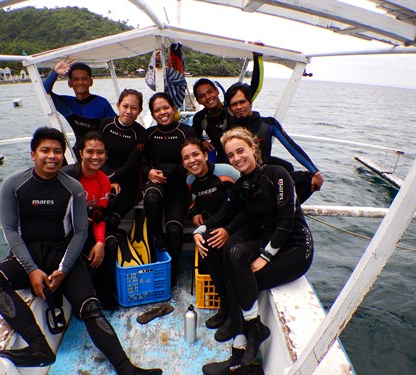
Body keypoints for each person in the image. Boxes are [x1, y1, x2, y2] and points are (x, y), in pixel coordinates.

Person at [0, 127, 162, 374]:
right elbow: (11, 231)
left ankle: (125, 367)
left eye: (57, 151)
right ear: (32, 153)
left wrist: (64, 270)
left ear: (64, 154)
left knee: (91, 307)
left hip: (62, 252)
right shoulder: (13, 185)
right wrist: (32, 270)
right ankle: (38, 345)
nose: (52, 156)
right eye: (45, 150)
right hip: (28, 254)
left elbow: (80, 233)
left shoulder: (73, 188)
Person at [193, 127, 314, 374]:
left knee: (239, 281)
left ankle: (240, 356)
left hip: (294, 249)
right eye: (231, 154)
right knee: (234, 257)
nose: (237, 158)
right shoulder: (243, 185)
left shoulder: (276, 174)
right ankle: (248, 335)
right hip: (267, 241)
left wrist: (265, 257)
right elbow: (224, 215)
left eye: (241, 151)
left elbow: (286, 222)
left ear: (253, 149)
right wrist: (199, 231)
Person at [123, 92, 196, 286]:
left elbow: (191, 161)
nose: (162, 112)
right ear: (153, 114)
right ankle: (156, 235)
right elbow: (142, 161)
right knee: (152, 198)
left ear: (173, 109)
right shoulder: (149, 134)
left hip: (178, 184)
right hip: (156, 181)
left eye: (166, 107)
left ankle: (172, 268)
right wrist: (149, 173)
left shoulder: (186, 132)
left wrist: (172, 174)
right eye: (157, 110)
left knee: (174, 229)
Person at [181, 138, 242, 341]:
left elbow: (243, 202)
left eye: (195, 154)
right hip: (217, 224)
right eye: (186, 158)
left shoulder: (226, 172)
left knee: (223, 250)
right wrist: (196, 212)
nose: (192, 160)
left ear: (205, 155)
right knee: (207, 245)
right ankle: (224, 306)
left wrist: (224, 228)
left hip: (239, 223)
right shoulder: (190, 182)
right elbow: (194, 201)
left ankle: (234, 311)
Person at [224, 81, 324, 203]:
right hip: (245, 182)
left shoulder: (268, 124)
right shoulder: (230, 132)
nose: (239, 107)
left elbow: (292, 147)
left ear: (250, 102)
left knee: (305, 177)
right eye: (234, 104)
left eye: (242, 102)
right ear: (230, 108)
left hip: (266, 176)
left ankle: (281, 209)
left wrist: (315, 171)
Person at [61, 131, 117, 310]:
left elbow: (99, 216)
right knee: (85, 255)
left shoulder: (104, 181)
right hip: (66, 232)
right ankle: (84, 297)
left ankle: (104, 292)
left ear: (106, 155)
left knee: (110, 244)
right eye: (90, 151)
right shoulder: (67, 176)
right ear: (81, 153)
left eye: (100, 152)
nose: (95, 156)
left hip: (88, 229)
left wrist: (100, 242)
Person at [192, 43, 264, 163]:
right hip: (223, 160)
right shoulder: (200, 118)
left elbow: (255, 87)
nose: (208, 97)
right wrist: (202, 142)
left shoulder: (232, 107)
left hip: (245, 158)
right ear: (198, 101)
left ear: (217, 91)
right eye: (202, 96)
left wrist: (257, 56)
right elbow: (194, 137)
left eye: (210, 92)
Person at [99, 89, 146, 258]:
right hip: (105, 174)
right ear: (117, 106)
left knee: (112, 219)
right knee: (98, 213)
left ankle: (110, 253)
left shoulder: (140, 133)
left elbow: (129, 165)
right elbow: (100, 155)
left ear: (139, 111)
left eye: (134, 108)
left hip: (129, 180)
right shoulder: (106, 125)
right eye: (125, 106)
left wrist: (111, 178)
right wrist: (108, 179)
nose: (128, 111)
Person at [43, 57, 116, 153]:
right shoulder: (67, 104)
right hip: (79, 152)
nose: (80, 82)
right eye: (76, 79)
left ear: (90, 82)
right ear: (70, 83)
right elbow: (43, 91)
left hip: (100, 152)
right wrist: (55, 73)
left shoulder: (102, 104)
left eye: (84, 79)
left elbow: (117, 127)